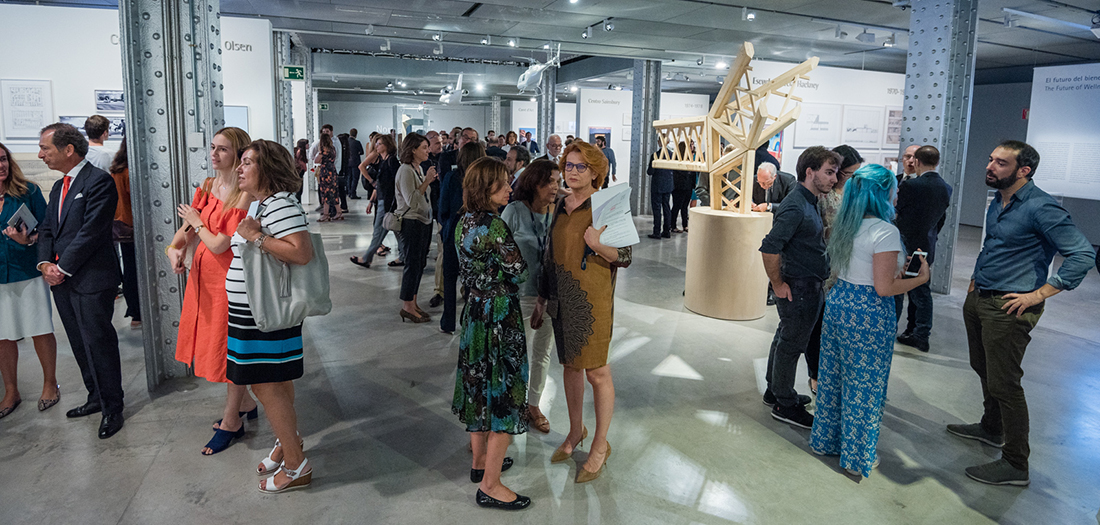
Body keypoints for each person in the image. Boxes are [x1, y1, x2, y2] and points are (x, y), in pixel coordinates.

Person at [950, 140, 1094, 486]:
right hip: (981, 297)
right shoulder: (999, 201)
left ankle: (1016, 464)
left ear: (1023, 171)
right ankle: (991, 427)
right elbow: (994, 245)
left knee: (1006, 383)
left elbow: (1083, 254)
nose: (990, 166)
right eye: (990, 159)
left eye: (1000, 163)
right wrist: (974, 281)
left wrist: (1039, 295)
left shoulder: (1042, 207)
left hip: (1010, 307)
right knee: (982, 366)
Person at [808, 164, 930, 478]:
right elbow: (883, 287)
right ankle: (858, 454)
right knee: (865, 386)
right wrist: (920, 279)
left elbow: (861, 270)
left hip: (839, 303)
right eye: (894, 188)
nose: (897, 192)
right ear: (881, 193)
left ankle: (827, 440)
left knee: (834, 378)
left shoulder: (845, 225)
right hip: (868, 312)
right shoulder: (885, 231)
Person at [533, 139, 631, 483]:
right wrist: (543, 298)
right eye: (569, 166)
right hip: (562, 297)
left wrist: (597, 245)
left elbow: (626, 256)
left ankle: (600, 445)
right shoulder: (560, 204)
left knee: (597, 373)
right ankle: (576, 432)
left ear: (596, 172)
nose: (572, 172)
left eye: (581, 167)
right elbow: (549, 255)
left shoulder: (608, 204)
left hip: (593, 301)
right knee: (570, 368)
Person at [228, 139, 316, 493]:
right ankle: (288, 443)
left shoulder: (279, 205)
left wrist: (257, 237)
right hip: (254, 310)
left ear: (267, 169)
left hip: (263, 311)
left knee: (265, 384)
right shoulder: (267, 204)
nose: (239, 168)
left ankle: (297, 465)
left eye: (247, 162)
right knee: (274, 382)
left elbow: (301, 252)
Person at [167, 126, 258, 455]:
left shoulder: (244, 193)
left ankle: (232, 420)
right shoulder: (207, 186)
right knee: (213, 345)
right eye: (213, 147)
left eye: (222, 149)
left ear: (237, 155)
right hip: (202, 277)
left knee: (228, 350)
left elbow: (220, 244)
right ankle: (245, 403)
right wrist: (176, 248)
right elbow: (186, 231)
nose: (214, 154)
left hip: (229, 279)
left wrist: (197, 222)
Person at [451, 156, 532, 511]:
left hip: (474, 315)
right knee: (502, 395)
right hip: (499, 315)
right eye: (503, 185)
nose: (509, 188)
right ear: (487, 190)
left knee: (477, 385)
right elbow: (519, 269)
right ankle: (491, 484)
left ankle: (479, 462)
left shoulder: (462, 221)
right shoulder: (495, 227)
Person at [35, 123, 124, 439]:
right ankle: (95, 397)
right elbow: (48, 228)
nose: (41, 154)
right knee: (78, 341)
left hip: (91, 279)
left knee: (98, 343)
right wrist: (45, 263)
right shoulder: (60, 187)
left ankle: (113, 408)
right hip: (63, 280)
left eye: (46, 148)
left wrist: (63, 267)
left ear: (68, 149)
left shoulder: (98, 182)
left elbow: (92, 232)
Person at [758, 146, 839, 429]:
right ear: (809, 172)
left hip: (805, 286)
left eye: (835, 172)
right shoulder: (796, 205)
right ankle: (784, 402)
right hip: (800, 287)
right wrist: (778, 284)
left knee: (785, 339)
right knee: (792, 345)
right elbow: (769, 247)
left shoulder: (809, 201)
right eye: (829, 172)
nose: (834, 178)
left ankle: (775, 390)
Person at [0, 141, 59, 419]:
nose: (0, 166)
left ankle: (50, 384)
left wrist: (27, 240)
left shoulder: (29, 191)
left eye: (3, 159)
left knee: (40, 328)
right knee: (2, 336)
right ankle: (11, 390)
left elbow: (47, 231)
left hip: (28, 270)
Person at [501, 159, 559, 434]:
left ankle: (533, 405)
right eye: (551, 182)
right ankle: (512, 406)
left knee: (542, 353)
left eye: (558, 182)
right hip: (520, 294)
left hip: (550, 294)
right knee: (516, 353)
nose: (557, 187)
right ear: (535, 183)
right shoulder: (513, 211)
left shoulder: (558, 212)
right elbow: (497, 253)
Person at [804, 144, 863, 394]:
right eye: (848, 173)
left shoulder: (853, 195)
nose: (852, 179)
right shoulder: (823, 196)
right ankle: (815, 374)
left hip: (847, 271)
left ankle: (832, 373)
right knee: (816, 326)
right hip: (825, 271)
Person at [894, 145, 952, 352]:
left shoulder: (912, 186)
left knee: (907, 291)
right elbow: (940, 221)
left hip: (907, 247)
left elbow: (897, 214)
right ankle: (919, 332)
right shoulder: (946, 187)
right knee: (920, 290)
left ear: (917, 161)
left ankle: (916, 333)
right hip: (925, 246)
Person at [438, 142, 487, 334]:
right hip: (479, 233)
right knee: (473, 281)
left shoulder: (451, 177)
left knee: (450, 279)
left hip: (454, 230)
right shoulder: (486, 181)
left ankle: (447, 322)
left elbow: (442, 208)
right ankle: (469, 319)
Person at [394, 133, 438, 323]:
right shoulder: (405, 170)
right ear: (413, 150)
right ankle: (407, 306)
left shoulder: (417, 168)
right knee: (412, 264)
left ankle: (413, 302)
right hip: (411, 222)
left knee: (419, 263)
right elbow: (411, 200)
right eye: (424, 147)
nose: (427, 151)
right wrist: (427, 181)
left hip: (422, 221)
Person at [350, 134, 400, 268]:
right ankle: (403, 256)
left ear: (387, 146)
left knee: (379, 230)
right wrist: (372, 201)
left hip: (388, 202)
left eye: (379, 144)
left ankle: (367, 258)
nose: (376, 146)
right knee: (396, 229)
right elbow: (380, 186)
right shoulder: (384, 161)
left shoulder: (391, 161)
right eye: (376, 143)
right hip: (385, 200)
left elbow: (396, 183)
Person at [109, 138, 140, 329]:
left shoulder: (116, 169)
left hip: (122, 226)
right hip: (136, 226)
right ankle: (138, 310)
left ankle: (134, 311)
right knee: (138, 270)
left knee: (129, 268)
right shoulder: (130, 172)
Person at [313, 131, 343, 221]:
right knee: (334, 192)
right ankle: (339, 212)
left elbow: (316, 160)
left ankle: (326, 214)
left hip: (325, 172)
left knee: (325, 193)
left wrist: (319, 153)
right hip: (332, 171)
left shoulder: (323, 150)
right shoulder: (333, 148)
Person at [670, 143, 696, 233]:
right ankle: (673, 226)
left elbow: (692, 173)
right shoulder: (677, 160)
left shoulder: (689, 159)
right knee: (676, 207)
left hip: (687, 186)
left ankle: (685, 225)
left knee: (684, 207)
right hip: (679, 187)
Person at [647, 157, 673, 239]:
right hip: (668, 185)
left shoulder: (655, 155)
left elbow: (650, 171)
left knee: (657, 209)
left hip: (657, 186)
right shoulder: (672, 155)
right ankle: (667, 231)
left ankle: (657, 232)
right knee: (667, 208)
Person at [346, 128, 364, 199]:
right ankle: (353, 193)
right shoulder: (357, 142)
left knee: (349, 178)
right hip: (355, 162)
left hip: (348, 162)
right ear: (356, 134)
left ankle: (349, 192)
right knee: (355, 178)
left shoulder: (347, 142)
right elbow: (361, 152)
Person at [293, 139, 309, 203]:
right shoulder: (300, 152)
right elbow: (300, 161)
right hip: (300, 171)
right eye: (307, 144)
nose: (308, 145)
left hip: (300, 171)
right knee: (299, 191)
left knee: (299, 191)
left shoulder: (299, 151)